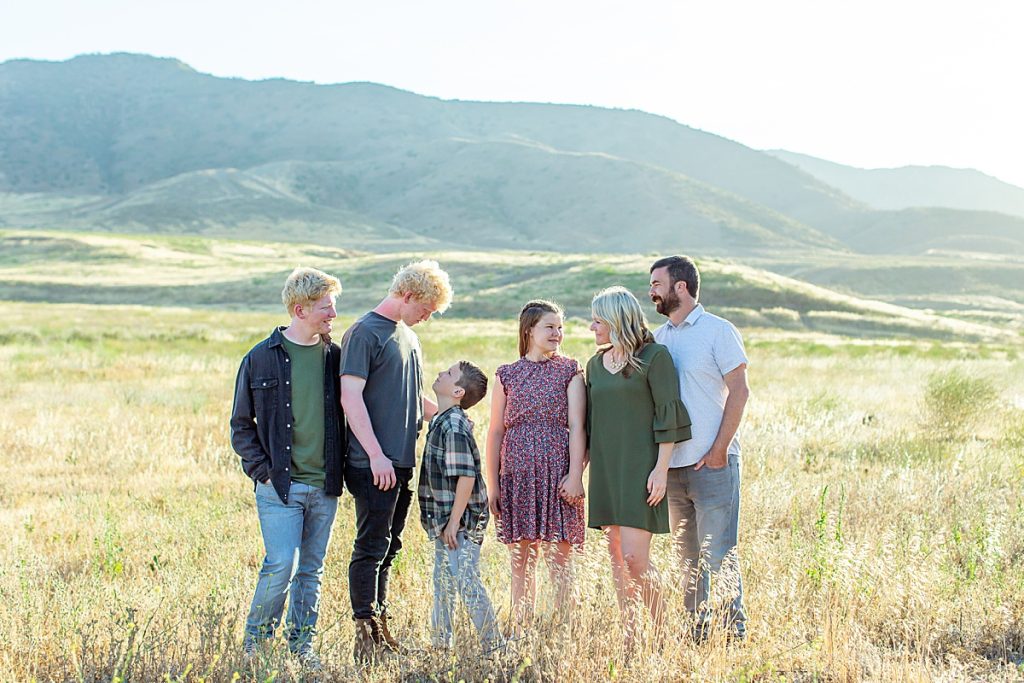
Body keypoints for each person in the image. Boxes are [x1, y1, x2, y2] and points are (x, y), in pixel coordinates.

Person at [230, 267, 346, 669]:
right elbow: (240, 426)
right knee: (281, 565)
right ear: (300, 309)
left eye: (334, 307)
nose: (333, 315)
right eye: (326, 308)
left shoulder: (335, 357)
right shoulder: (260, 358)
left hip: (325, 485)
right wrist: (261, 470)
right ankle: (255, 645)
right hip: (279, 487)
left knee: (311, 571)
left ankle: (302, 649)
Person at [339, 259, 453, 663]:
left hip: (401, 462)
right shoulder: (364, 333)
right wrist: (375, 456)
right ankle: (364, 637)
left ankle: (381, 630)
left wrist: (445, 413)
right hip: (373, 464)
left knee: (391, 546)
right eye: (425, 309)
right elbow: (350, 398)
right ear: (407, 295)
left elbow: (410, 396)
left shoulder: (408, 337)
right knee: (371, 547)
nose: (426, 317)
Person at [649, 255, 751, 642]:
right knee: (686, 559)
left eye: (657, 283)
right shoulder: (659, 339)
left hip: (714, 464)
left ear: (681, 287)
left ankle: (732, 633)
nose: (652, 291)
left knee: (720, 552)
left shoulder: (717, 331)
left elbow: (740, 391)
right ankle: (697, 632)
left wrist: (720, 450)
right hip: (673, 468)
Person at [585, 286, 692, 652]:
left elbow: (669, 416)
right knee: (616, 555)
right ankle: (630, 634)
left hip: (640, 468)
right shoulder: (595, 364)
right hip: (605, 468)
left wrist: (661, 469)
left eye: (597, 320)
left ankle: (665, 635)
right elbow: (590, 421)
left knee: (635, 557)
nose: (592, 327)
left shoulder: (654, 357)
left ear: (616, 319)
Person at [485, 299, 586, 628]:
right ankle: (521, 626)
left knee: (560, 556)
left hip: (558, 473)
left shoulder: (570, 370)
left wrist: (575, 475)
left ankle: (563, 626)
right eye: (550, 327)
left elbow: (577, 426)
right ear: (529, 330)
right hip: (518, 474)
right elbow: (496, 431)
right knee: (522, 558)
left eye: (560, 328)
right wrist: (493, 484)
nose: (557, 333)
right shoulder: (507, 375)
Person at [418, 360, 504, 652]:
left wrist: (454, 522)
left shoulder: (453, 424)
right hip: (448, 519)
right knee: (442, 581)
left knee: (466, 581)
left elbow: (466, 476)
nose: (441, 371)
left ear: (457, 391)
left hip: (462, 521)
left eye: (449, 373)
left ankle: (495, 645)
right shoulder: (444, 419)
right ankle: (440, 642)